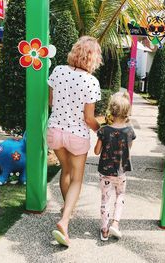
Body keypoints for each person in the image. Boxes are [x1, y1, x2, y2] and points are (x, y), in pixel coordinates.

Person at [47, 36, 102, 247]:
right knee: (77, 178)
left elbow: (52, 101)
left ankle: (66, 210)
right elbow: (88, 119)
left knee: (65, 171)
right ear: (92, 58)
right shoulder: (91, 82)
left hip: (55, 132)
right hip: (77, 135)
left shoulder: (58, 71)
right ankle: (65, 219)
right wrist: (100, 129)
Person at [94, 92, 136, 241]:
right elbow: (128, 152)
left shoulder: (104, 130)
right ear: (126, 112)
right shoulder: (129, 131)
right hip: (120, 172)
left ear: (111, 110)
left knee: (105, 199)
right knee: (120, 196)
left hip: (105, 171)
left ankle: (104, 230)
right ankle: (115, 224)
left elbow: (96, 151)